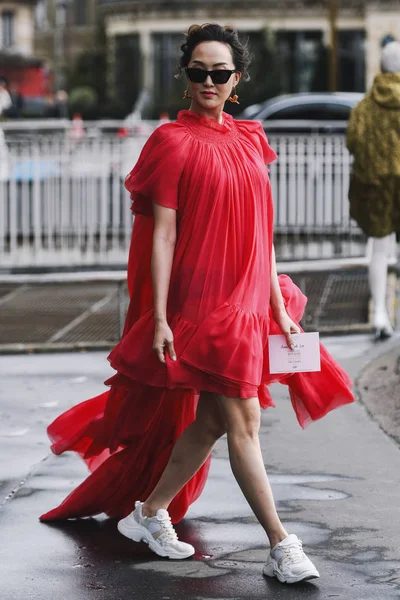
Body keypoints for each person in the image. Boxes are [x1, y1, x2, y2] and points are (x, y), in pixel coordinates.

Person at [40, 24, 354, 584]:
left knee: (212, 419)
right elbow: (162, 234)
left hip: (249, 295)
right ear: (185, 77)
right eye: (198, 71)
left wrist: (276, 304)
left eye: (221, 72)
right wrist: (158, 317)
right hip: (201, 304)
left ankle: (149, 512)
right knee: (243, 418)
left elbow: (263, 226)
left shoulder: (252, 137)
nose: (209, 81)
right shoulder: (170, 142)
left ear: (237, 79)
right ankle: (282, 545)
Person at [347, 40, 400, 340]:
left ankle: (380, 313)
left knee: (379, 249)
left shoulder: (365, 105)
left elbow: (352, 141)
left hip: (376, 186)